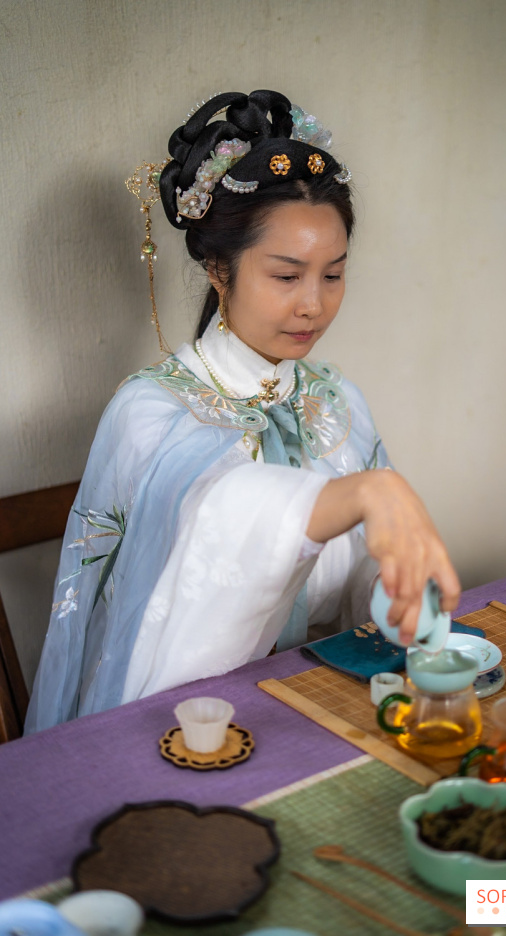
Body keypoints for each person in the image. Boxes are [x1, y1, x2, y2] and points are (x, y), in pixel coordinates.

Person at [25, 90, 460, 733]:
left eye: (333, 275)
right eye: (286, 276)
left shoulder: (336, 401)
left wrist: (396, 596)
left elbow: (370, 571)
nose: (314, 305)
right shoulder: (148, 410)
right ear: (218, 270)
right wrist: (366, 492)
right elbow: (217, 516)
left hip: (313, 708)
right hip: (180, 723)